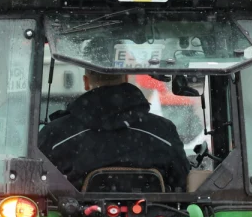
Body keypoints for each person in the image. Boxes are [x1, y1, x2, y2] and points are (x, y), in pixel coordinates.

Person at [38, 70, 189, 192]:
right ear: (126, 77)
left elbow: (37, 181)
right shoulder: (163, 130)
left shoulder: (55, 134)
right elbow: (182, 181)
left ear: (86, 82)